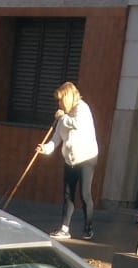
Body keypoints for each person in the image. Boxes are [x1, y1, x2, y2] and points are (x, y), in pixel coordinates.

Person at [38, 82, 99, 241]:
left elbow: (77, 124)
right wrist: (45, 148)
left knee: (84, 194)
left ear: (67, 97)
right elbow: (56, 139)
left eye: (60, 100)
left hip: (86, 157)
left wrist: (62, 118)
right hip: (70, 159)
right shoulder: (63, 116)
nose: (58, 103)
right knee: (68, 194)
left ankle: (88, 227)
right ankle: (64, 228)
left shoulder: (82, 108)